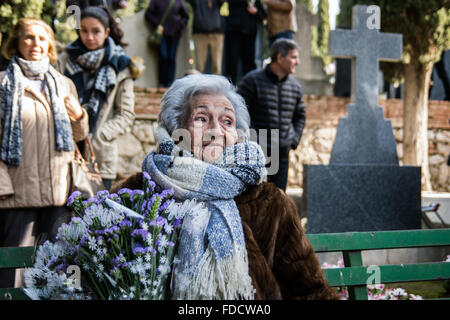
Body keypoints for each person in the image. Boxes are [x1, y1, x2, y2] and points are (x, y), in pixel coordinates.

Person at [111, 74, 337, 300]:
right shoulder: (136, 194)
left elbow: (310, 291)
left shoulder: (270, 202)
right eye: (201, 118)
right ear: (175, 131)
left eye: (227, 121)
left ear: (238, 137)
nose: (216, 130)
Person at [0, 18, 89, 288]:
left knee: (58, 266)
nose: (35, 44)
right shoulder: (3, 83)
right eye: (28, 37)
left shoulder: (63, 84)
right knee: (13, 266)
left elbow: (80, 137)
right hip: (17, 191)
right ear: (16, 42)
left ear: (49, 44)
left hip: (59, 191)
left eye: (41, 38)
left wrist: (79, 117)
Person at [59, 6, 141, 190]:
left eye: (96, 31)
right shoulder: (63, 60)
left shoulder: (120, 66)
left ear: (107, 32)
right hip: (65, 152)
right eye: (84, 31)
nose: (89, 37)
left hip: (100, 156)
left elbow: (126, 115)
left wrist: (100, 135)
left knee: (98, 215)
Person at [237, 38, 305, 191]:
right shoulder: (252, 81)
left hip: (281, 152)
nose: (297, 62)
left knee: (279, 200)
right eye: (293, 57)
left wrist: (293, 140)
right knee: (252, 199)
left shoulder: (295, 87)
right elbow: (238, 111)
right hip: (256, 152)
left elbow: (300, 116)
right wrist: (252, 140)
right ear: (280, 58)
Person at [144, 0, 189, 88]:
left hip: (175, 33)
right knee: (163, 56)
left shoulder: (178, 1)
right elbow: (148, 14)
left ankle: (170, 83)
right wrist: (157, 24)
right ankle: (162, 82)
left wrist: (179, 25)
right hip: (161, 34)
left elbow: (185, 17)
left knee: (171, 57)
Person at [224, 0, 266, 84]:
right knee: (232, 63)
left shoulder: (255, 1)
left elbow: (263, 14)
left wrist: (256, 12)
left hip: (250, 34)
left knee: (249, 64)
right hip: (234, 32)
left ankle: (249, 87)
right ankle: (230, 88)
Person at [186, 0, 225, 75]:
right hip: (200, 33)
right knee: (199, 66)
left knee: (217, 66)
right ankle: (199, 86)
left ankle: (217, 86)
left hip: (216, 33)